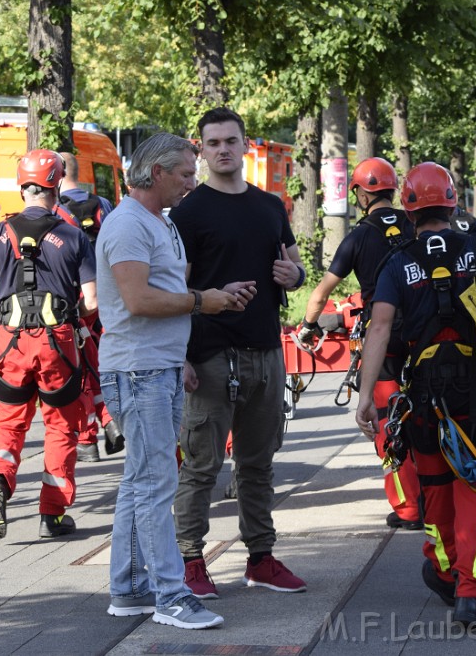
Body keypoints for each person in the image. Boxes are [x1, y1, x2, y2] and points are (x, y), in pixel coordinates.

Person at [355, 162, 476, 628]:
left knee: (435, 488)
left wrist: (364, 397)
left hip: (422, 396)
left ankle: (443, 568)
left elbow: (378, 328)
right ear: (454, 201)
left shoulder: (397, 262)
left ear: (410, 208)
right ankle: (472, 594)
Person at [98, 133, 241, 630]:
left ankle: (131, 588)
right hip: (138, 371)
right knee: (157, 485)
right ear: (155, 172)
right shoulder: (128, 224)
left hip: (152, 366)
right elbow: (137, 301)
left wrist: (178, 352)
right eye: (184, 173)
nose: (192, 181)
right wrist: (205, 300)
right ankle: (170, 595)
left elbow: (154, 297)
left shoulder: (155, 221)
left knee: (141, 482)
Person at [170, 107, 307, 598]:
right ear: (201, 149)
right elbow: (173, 290)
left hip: (266, 351)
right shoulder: (188, 213)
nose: (223, 149)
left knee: (258, 464)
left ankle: (261, 559)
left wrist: (298, 275)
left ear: (245, 144)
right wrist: (180, 356)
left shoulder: (270, 206)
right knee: (202, 466)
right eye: (213, 143)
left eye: (231, 140)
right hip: (209, 356)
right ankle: (189, 561)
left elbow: (291, 265)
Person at [0, 149, 96, 540]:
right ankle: (52, 515)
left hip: (10, 341)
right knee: (60, 427)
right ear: (57, 184)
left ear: (20, 185)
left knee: (7, 423)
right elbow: (92, 301)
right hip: (57, 343)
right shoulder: (75, 236)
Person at [297, 157, 422, 530]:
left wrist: (307, 326)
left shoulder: (357, 237)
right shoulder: (414, 223)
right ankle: (437, 496)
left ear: (360, 194)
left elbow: (321, 295)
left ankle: (409, 508)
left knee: (387, 420)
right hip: (425, 332)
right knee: (427, 414)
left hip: (384, 339)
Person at [55, 151, 119, 463]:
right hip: (103, 297)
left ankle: (87, 438)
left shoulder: (53, 210)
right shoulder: (103, 205)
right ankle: (111, 419)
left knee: (79, 370)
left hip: (73, 303)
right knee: (101, 364)